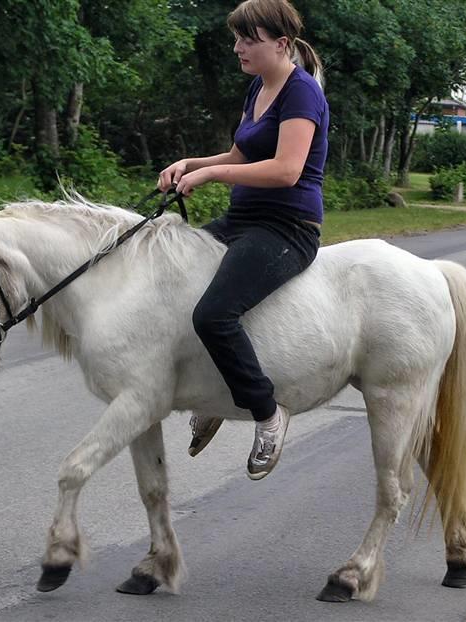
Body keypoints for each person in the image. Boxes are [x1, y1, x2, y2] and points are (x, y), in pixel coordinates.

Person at [158, 0, 329, 480]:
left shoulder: (301, 94)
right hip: (242, 218)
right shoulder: (260, 85)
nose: (237, 48)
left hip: (286, 228)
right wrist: (191, 163)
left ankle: (267, 413)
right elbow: (241, 152)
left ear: (281, 44)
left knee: (213, 314)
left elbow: (285, 169)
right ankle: (216, 394)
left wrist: (212, 175)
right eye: (237, 38)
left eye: (247, 39)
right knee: (175, 284)